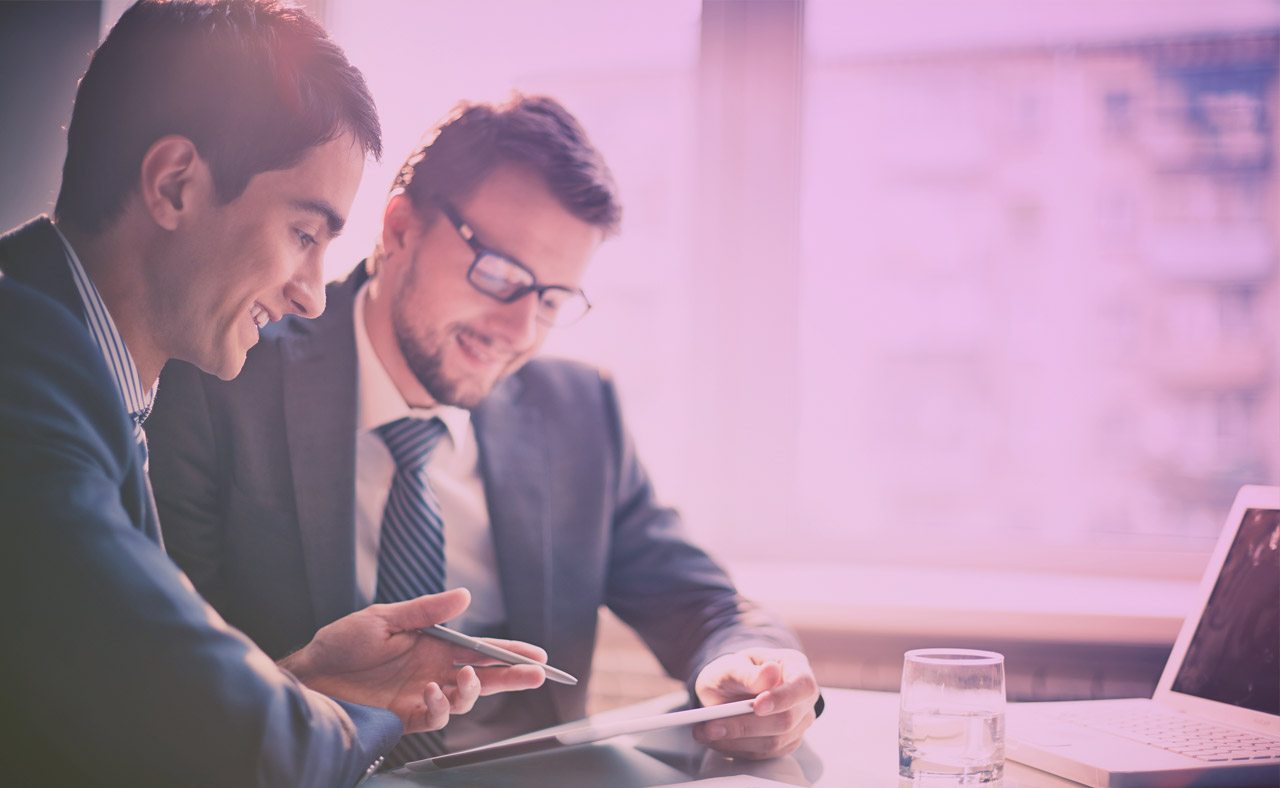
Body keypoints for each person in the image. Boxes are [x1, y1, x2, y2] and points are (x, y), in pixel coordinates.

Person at [148, 94, 823, 770]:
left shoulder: (579, 412)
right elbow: (171, 680)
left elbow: (701, 602)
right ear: (401, 229)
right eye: (499, 273)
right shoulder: (225, 375)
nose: (520, 330)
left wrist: (753, 667)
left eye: (553, 299)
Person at [0, 3, 545, 786]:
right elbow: (255, 748)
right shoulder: (25, 377)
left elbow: (125, 718)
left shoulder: (73, 366)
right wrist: (367, 713)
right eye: (302, 235)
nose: (312, 297)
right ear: (175, 184)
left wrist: (306, 680)